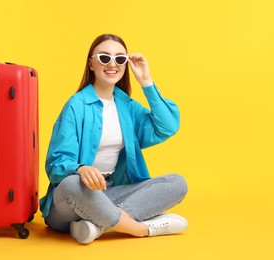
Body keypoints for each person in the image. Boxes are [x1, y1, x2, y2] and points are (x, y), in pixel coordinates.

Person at [39, 33, 188, 244]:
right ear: (91, 63)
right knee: (72, 184)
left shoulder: (126, 105)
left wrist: (146, 81)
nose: (112, 64)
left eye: (120, 59)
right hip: (72, 199)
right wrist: (81, 169)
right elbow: (55, 164)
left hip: (111, 192)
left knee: (177, 183)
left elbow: (167, 126)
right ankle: (139, 229)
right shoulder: (76, 104)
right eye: (104, 57)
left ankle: (97, 226)